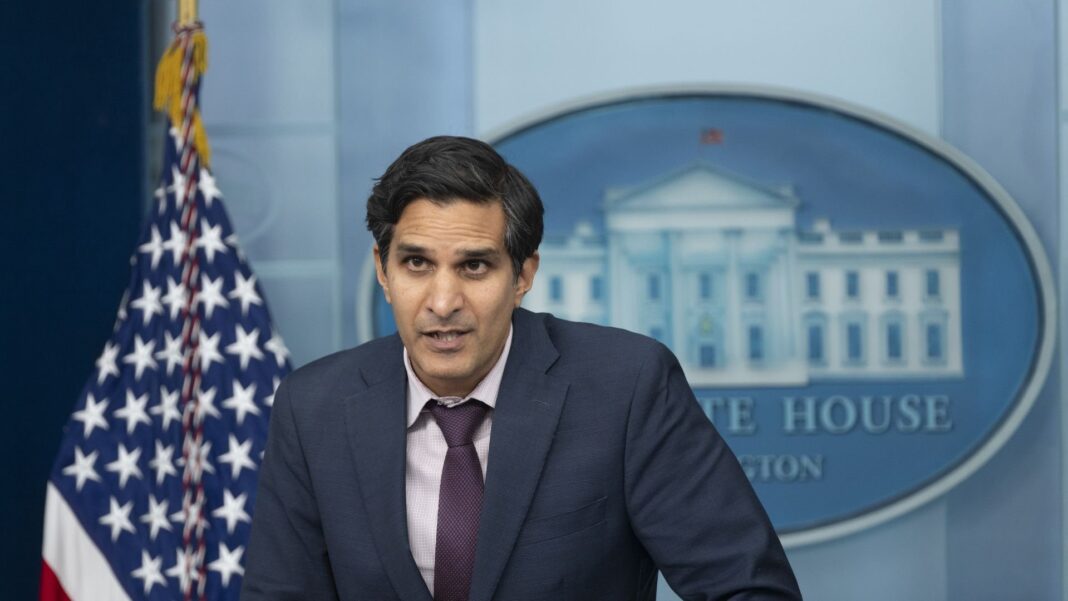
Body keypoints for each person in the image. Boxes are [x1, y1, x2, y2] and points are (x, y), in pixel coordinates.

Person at [242, 136, 802, 600]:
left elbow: (749, 589)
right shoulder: (312, 408)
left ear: (523, 276)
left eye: (474, 266)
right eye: (416, 263)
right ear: (383, 272)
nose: (443, 302)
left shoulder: (627, 387)